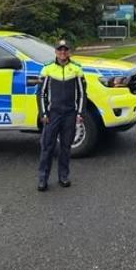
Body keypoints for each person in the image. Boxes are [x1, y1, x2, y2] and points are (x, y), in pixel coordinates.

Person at [36, 39, 86, 192]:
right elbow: (41, 94)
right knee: (47, 147)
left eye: (65, 50)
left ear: (69, 51)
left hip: (70, 114)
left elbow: (82, 93)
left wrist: (80, 113)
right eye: (60, 50)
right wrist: (44, 113)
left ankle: (63, 176)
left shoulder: (77, 69)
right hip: (53, 114)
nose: (62, 53)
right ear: (55, 52)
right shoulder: (47, 69)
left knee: (65, 147)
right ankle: (43, 178)